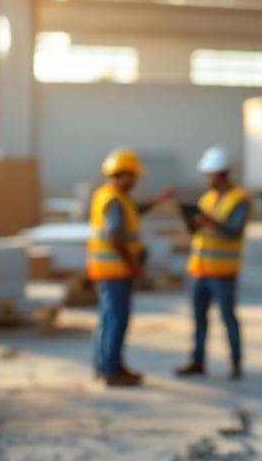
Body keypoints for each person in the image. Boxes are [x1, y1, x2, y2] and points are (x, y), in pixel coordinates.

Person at [88, 148, 174, 387]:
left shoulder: (109, 195)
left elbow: (135, 211)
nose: (135, 180)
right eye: (133, 176)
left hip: (106, 270)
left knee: (107, 320)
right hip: (116, 270)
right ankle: (113, 371)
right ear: (123, 174)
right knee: (116, 320)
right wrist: (132, 264)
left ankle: (105, 366)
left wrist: (159, 200)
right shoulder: (114, 200)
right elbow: (115, 236)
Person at [175, 146, 250, 380]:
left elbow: (234, 231)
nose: (208, 179)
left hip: (222, 272)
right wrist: (193, 221)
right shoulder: (207, 198)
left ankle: (236, 363)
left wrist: (209, 221)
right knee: (199, 319)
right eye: (207, 174)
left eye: (212, 174)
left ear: (224, 174)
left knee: (228, 317)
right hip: (200, 270)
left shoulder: (239, 200)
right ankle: (197, 361)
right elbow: (198, 231)